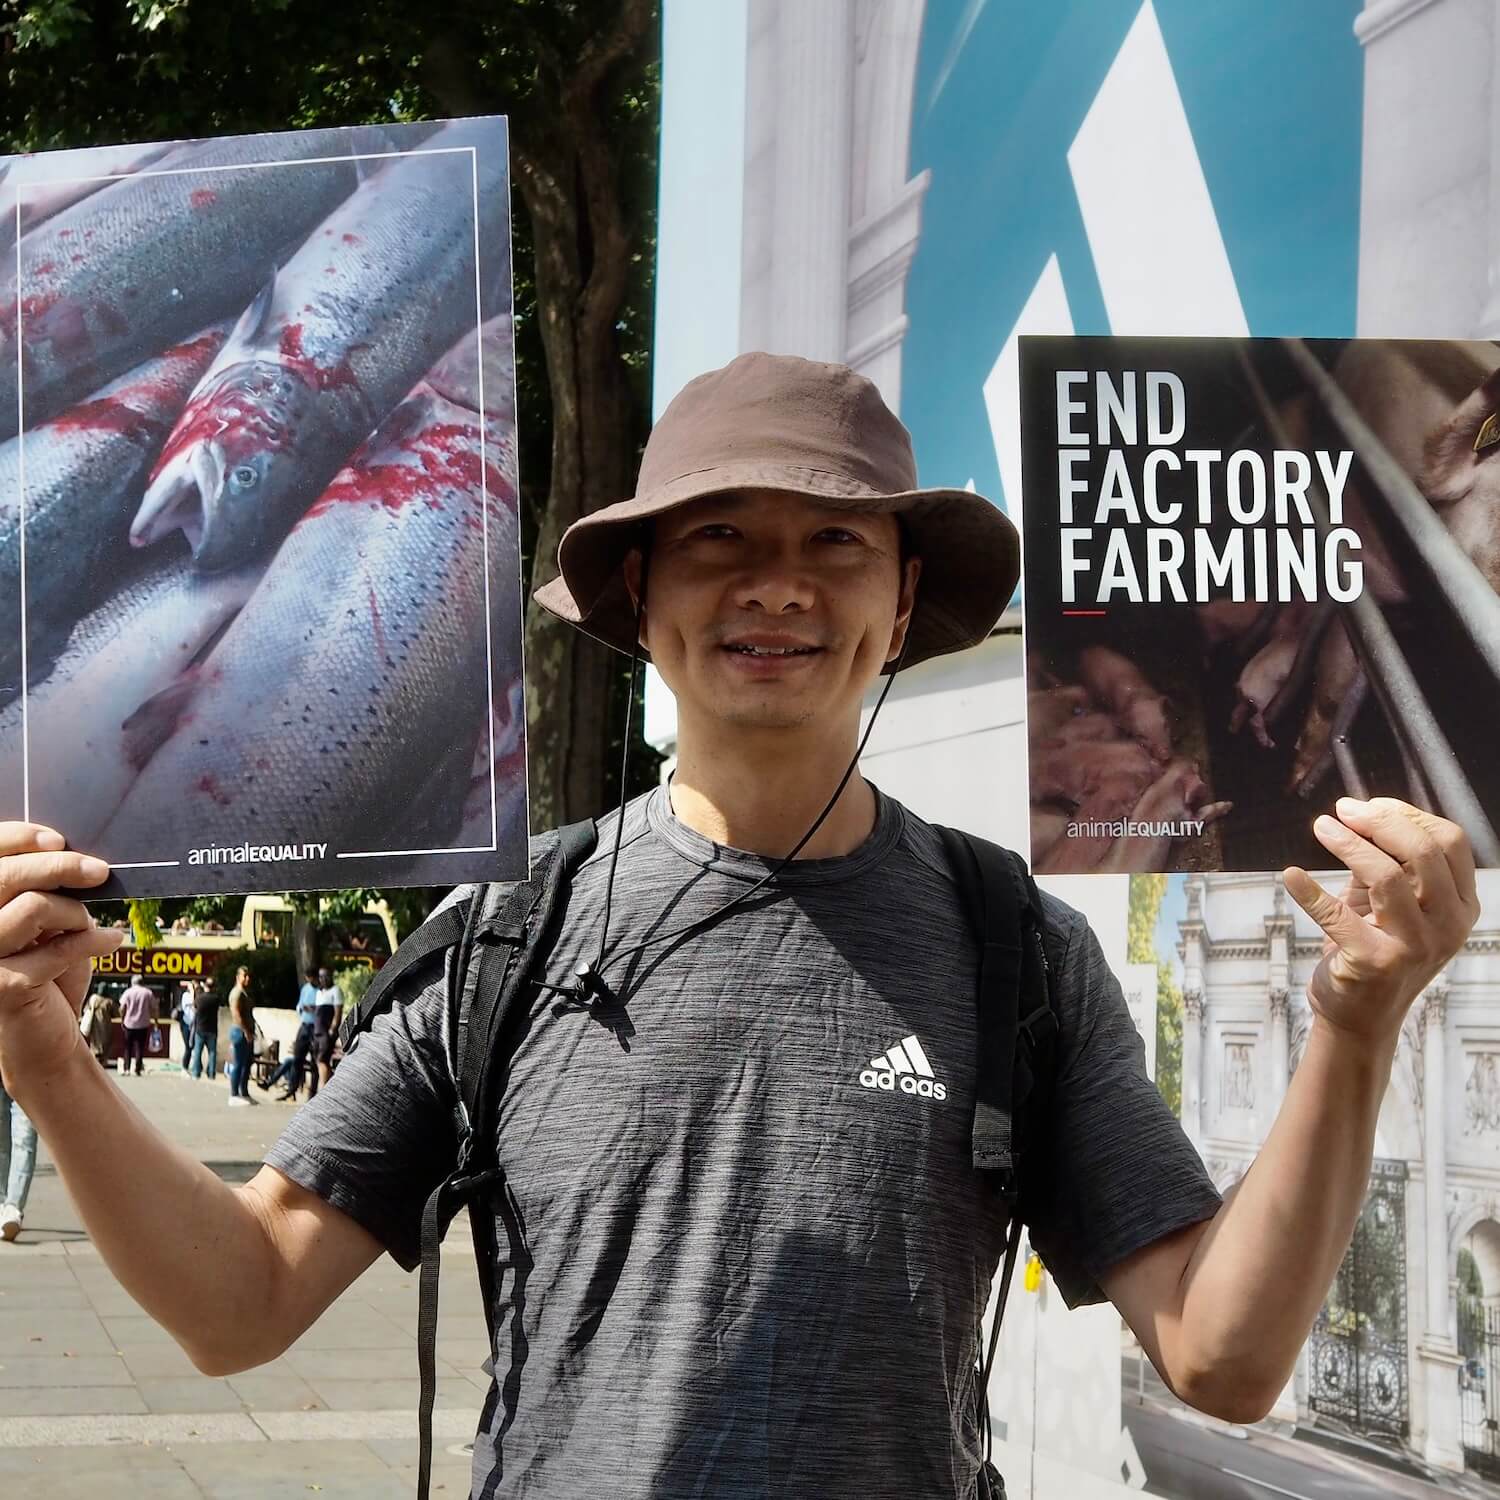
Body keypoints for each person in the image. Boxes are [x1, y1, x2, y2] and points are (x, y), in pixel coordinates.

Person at [0, 353, 1481, 1500]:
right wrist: (49, 1061)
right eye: (722, 537)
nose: (778, 581)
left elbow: (1221, 1357)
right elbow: (242, 1304)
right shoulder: (510, 933)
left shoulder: (1010, 947)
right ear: (641, 599)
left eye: (836, 542)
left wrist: (1355, 1026)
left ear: (900, 608)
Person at [262, 972, 318, 1100]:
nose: (310, 980)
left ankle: (312, 1093)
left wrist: (312, 1009)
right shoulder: (305, 989)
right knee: (296, 1058)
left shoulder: (321, 991)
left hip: (316, 1027)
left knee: (314, 1062)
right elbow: (300, 1005)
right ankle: (291, 1089)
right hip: (304, 1025)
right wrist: (302, 1009)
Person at [0, 1068, 36, 1242]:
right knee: (1, 1144)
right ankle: (2, 1204)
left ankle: (13, 1207)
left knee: (25, 1138)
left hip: (28, 1073)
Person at [225, 967, 256, 1108]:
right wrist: (246, 1031)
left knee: (246, 1063)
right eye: (245, 976)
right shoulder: (236, 993)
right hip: (239, 1032)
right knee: (238, 1064)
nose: (247, 978)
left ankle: (244, 1092)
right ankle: (233, 1094)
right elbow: (236, 1014)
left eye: (248, 976)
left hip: (247, 1031)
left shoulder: (245, 993)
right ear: (238, 977)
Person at [117, 977, 156, 1078]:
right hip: (143, 1024)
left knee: (127, 1047)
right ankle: (137, 1069)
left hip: (129, 1024)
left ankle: (127, 1069)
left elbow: (122, 1008)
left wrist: (122, 1019)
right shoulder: (148, 993)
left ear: (132, 982)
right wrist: (156, 1021)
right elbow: (154, 1008)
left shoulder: (128, 992)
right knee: (140, 1047)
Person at [311, 968, 341, 1092]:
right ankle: (328, 1088)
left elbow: (337, 1012)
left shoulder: (336, 991)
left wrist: (332, 1029)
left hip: (326, 1032)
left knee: (322, 1060)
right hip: (317, 1031)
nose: (323, 979)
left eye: (326, 976)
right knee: (320, 1061)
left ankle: (323, 1089)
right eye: (321, 976)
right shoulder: (319, 992)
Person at [189, 978, 221, 1081]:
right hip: (212, 1029)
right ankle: (211, 1074)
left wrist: (195, 991)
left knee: (198, 1051)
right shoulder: (216, 999)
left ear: (205, 986)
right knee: (212, 1053)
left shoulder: (199, 998)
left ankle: (196, 1073)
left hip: (200, 1028)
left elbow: (194, 1008)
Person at [173, 979, 197, 1073]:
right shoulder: (186, 996)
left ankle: (194, 1066)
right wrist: (192, 990)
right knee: (188, 1046)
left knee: (193, 1046)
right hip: (186, 1024)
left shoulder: (196, 995)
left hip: (194, 1024)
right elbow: (193, 1001)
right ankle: (185, 1067)